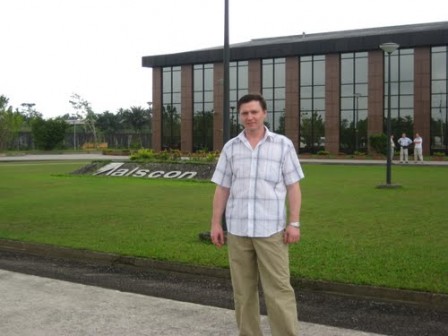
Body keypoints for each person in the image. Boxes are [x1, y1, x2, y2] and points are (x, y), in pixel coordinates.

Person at [210, 93, 304, 336]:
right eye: (245, 113)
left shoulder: (283, 145)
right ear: (239, 116)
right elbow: (222, 188)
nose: (250, 117)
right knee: (243, 291)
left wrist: (294, 222)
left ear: (264, 113)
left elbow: (294, 186)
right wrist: (215, 224)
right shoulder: (231, 148)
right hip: (238, 231)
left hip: (271, 231)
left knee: (279, 289)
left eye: (254, 112)